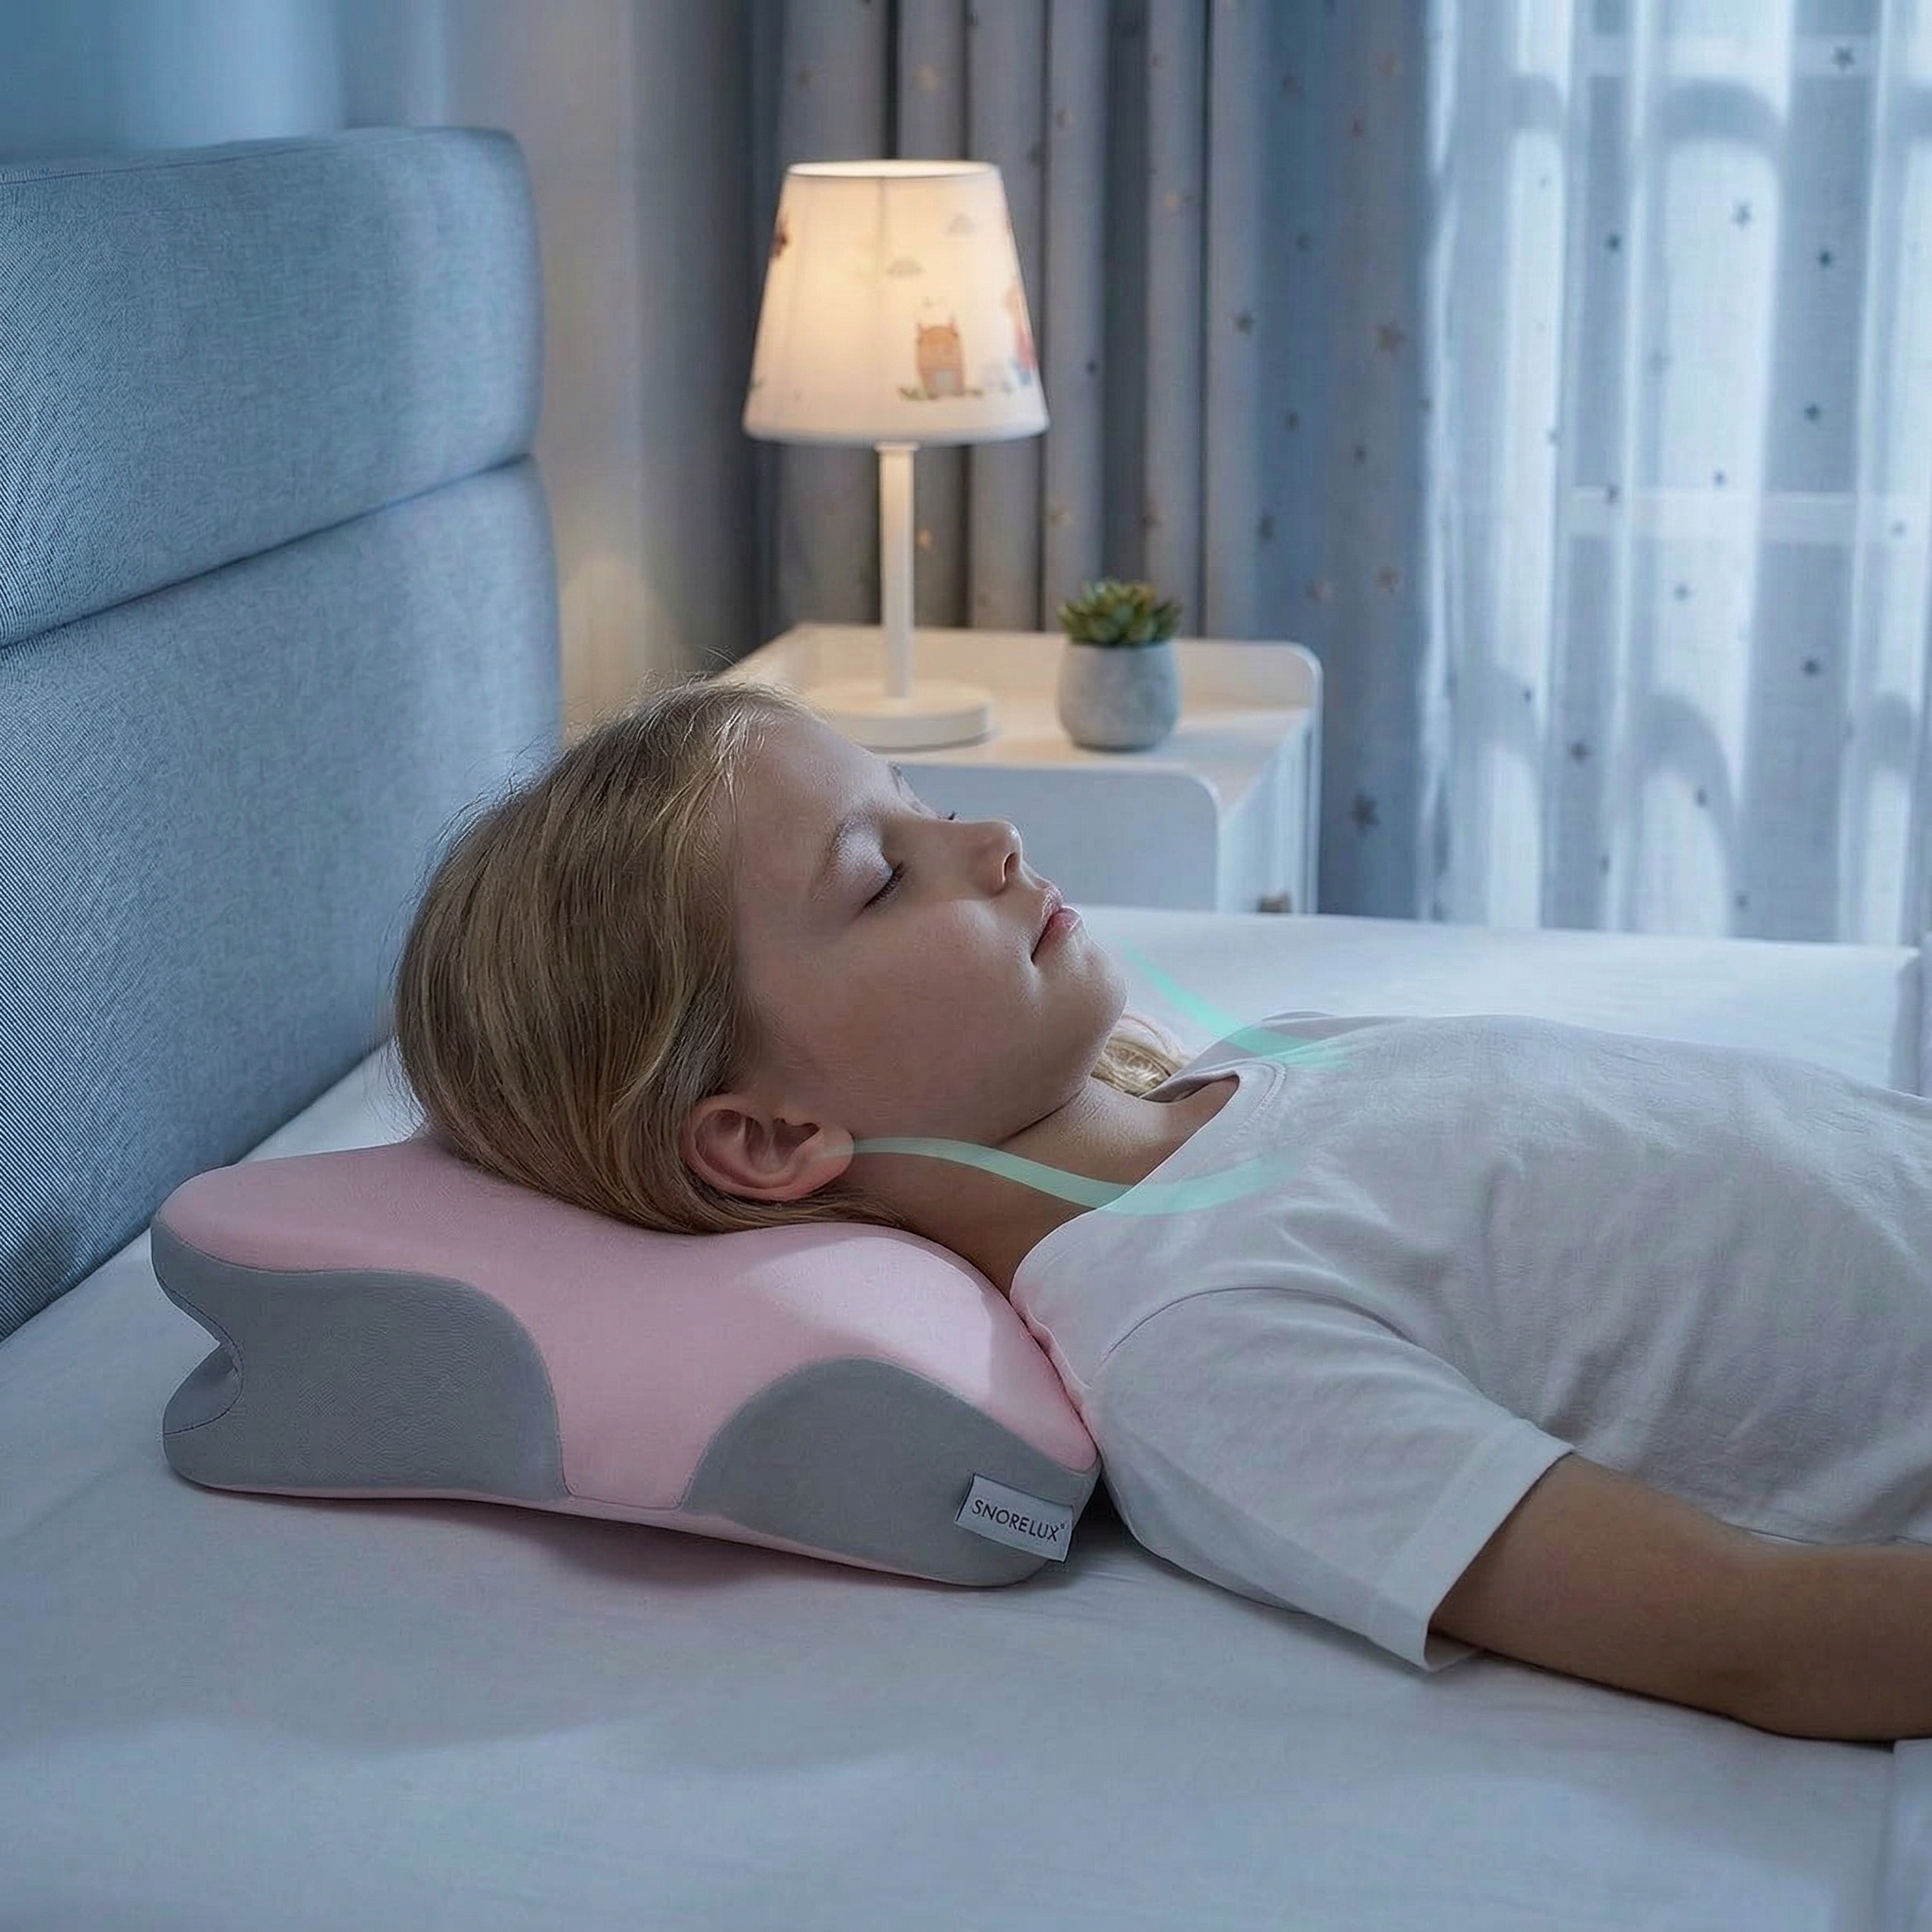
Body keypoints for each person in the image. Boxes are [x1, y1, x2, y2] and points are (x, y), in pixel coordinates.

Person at [393, 672, 1932, 1745]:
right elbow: (1755, 1634)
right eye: (880, 879)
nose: (989, 841)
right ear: (774, 1135)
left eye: (923, 804)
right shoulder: (1198, 1347)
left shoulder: (1261, 1066)